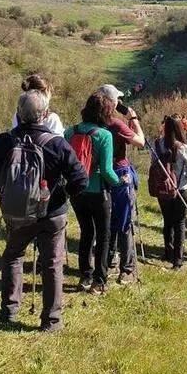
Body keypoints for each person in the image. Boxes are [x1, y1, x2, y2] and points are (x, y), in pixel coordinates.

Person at [0, 90, 89, 332]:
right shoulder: (58, 144)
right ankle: (51, 321)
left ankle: (9, 310)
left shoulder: (2, 142)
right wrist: (61, 194)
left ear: (18, 115)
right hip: (52, 214)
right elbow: (80, 180)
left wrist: (10, 193)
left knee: (13, 256)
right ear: (45, 114)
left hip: (16, 214)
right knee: (52, 264)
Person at [64, 94, 129, 294]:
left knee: (86, 232)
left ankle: (85, 275)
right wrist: (120, 182)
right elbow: (108, 171)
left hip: (76, 191)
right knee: (103, 235)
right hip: (99, 192)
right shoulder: (104, 135)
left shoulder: (69, 132)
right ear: (106, 113)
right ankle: (99, 281)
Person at [97, 84, 145, 285]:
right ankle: (128, 268)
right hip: (120, 172)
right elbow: (140, 142)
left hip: (100, 175)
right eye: (117, 99)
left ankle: (108, 260)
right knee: (125, 222)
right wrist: (133, 119)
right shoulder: (116, 125)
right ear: (111, 102)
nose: (119, 102)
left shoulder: (93, 122)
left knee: (107, 220)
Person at [153, 116, 187, 270]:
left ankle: (168, 252)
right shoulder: (183, 147)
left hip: (164, 188)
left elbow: (154, 164)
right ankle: (178, 260)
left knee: (167, 220)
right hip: (181, 188)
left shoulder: (157, 144)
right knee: (180, 223)